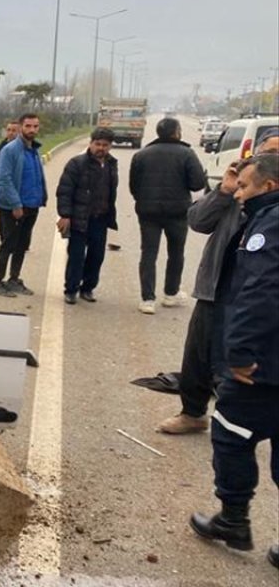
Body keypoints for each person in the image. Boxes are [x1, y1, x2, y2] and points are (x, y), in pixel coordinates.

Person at [189, 151, 279, 569]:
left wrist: (239, 353)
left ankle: (233, 519)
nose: (238, 194)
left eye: (244, 187)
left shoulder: (270, 224)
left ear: (269, 186)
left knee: (230, 433)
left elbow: (259, 293)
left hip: (262, 365)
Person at [160, 130, 279, 435]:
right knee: (198, 355)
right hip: (214, 287)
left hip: (253, 297)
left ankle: (237, 423)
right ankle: (192, 412)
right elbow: (198, 221)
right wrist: (224, 191)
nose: (273, 158)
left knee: (239, 361)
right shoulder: (240, 188)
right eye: (269, 151)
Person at [129, 117, 207, 314]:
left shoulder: (142, 155)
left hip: (148, 212)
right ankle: (170, 294)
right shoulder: (187, 153)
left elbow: (134, 187)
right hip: (177, 212)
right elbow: (197, 184)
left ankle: (147, 299)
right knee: (176, 253)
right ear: (176, 132)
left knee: (148, 253)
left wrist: (145, 199)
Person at [56, 128, 118, 304]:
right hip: (79, 218)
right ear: (91, 143)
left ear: (110, 146)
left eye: (105, 145)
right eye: (97, 144)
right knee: (76, 256)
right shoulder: (76, 164)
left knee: (96, 256)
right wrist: (65, 215)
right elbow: (64, 191)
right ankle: (71, 290)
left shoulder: (111, 164)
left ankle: (88, 288)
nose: (101, 148)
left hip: (101, 218)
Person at [0, 113, 47, 297]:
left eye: (35, 126)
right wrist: (16, 204)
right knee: (8, 244)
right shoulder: (10, 150)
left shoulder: (34, 149)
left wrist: (41, 198)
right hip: (12, 207)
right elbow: (4, 179)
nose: (32, 130)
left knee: (22, 244)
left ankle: (14, 279)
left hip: (32, 205)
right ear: (21, 127)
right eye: (28, 126)